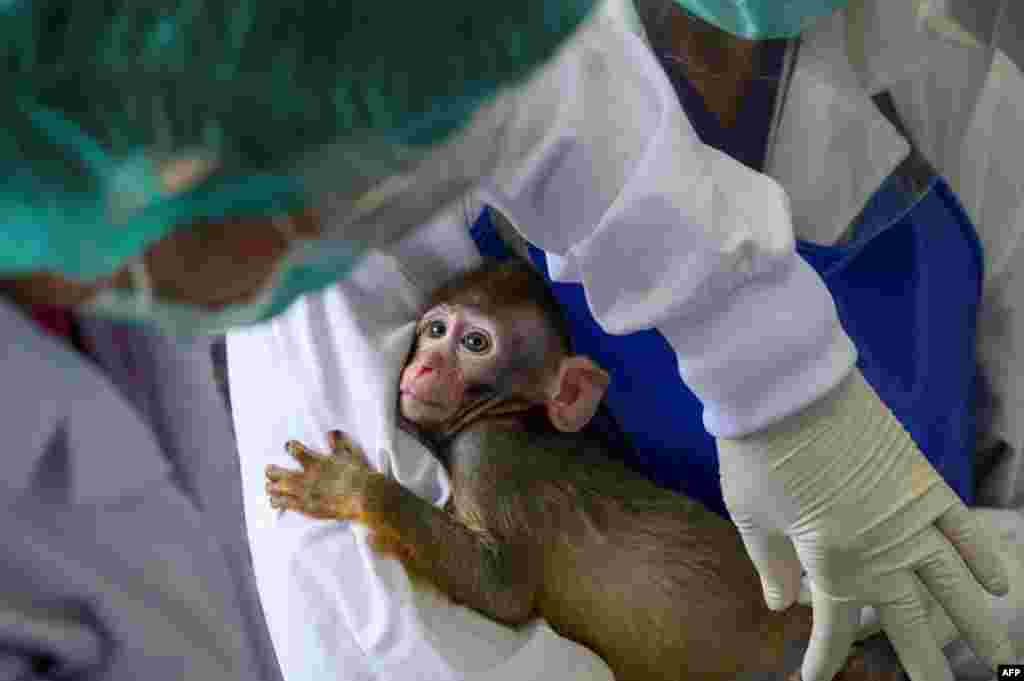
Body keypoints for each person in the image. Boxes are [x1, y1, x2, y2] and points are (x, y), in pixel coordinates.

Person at [0, 3, 1015, 681]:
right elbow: (395, 639)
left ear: (574, 391)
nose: (433, 363)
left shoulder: (936, 65)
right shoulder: (354, 131)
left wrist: (787, 386)